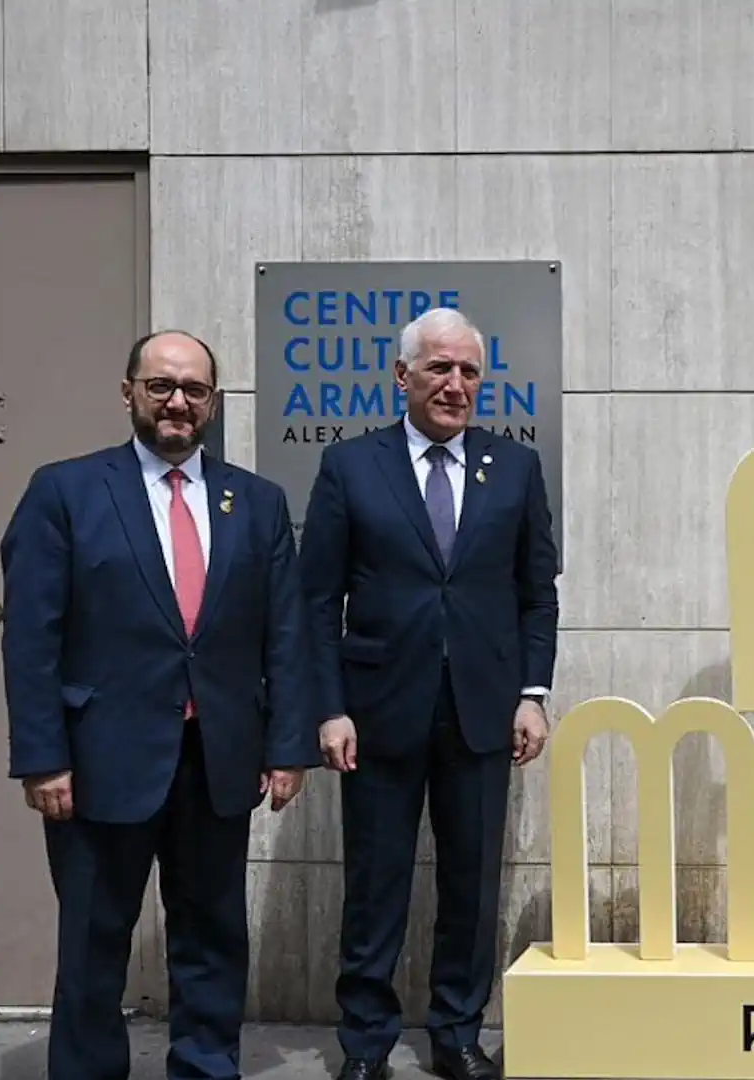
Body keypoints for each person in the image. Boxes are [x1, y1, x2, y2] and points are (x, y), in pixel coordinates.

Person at [0, 330, 316, 1080]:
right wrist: (42, 757)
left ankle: (206, 1066)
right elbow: (34, 639)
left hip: (218, 758)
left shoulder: (257, 502)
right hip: (98, 762)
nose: (178, 402)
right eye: (161, 386)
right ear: (129, 393)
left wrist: (287, 746)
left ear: (213, 403)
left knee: (212, 936)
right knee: (93, 939)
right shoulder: (65, 492)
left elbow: (285, 633)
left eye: (194, 390)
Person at [299, 306, 559, 1080]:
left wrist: (532, 692)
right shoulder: (351, 466)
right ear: (402, 375)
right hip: (377, 712)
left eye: (469, 371)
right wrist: (329, 706)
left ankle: (456, 1034)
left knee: (471, 886)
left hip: (482, 711)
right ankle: (365, 1045)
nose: (455, 384)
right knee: (374, 884)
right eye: (440, 368)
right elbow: (318, 599)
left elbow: (536, 593)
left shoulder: (515, 467)